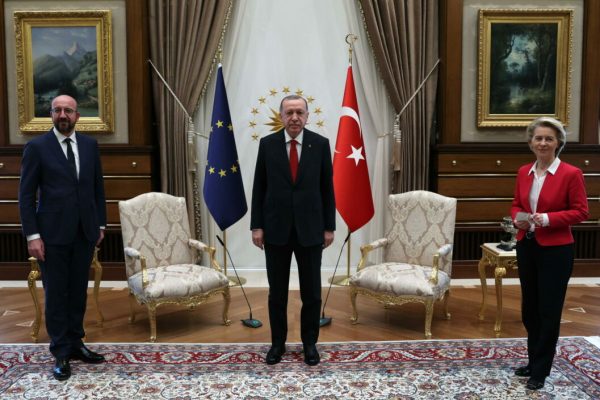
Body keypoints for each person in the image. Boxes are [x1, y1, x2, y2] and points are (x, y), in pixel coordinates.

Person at [19, 95, 107, 381]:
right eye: (57, 110)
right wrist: (33, 235)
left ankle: (76, 342)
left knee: (77, 290)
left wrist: (101, 225)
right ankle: (60, 351)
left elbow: (97, 189)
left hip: (84, 232)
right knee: (57, 293)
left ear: (77, 116)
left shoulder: (90, 146)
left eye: (68, 110)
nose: (63, 114)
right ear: (51, 115)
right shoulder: (37, 147)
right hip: (51, 235)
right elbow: (25, 196)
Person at [251, 95, 335, 366]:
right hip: (275, 230)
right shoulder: (267, 145)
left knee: (311, 293)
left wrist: (329, 227)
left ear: (307, 116)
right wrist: (257, 226)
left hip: (311, 230)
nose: (295, 117)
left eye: (300, 112)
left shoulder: (320, 145)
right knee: (277, 293)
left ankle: (310, 344)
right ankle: (278, 344)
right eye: (289, 113)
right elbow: (258, 188)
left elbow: (327, 189)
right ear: (281, 116)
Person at [511, 117, 588, 390]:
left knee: (548, 310)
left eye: (549, 139)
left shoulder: (571, 173)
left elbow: (581, 212)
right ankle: (533, 361)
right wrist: (518, 217)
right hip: (527, 245)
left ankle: (541, 371)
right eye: (538, 138)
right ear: (531, 142)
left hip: (556, 251)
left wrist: (546, 219)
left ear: (558, 143)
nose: (543, 143)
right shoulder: (523, 172)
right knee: (529, 309)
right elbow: (517, 204)